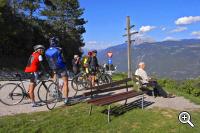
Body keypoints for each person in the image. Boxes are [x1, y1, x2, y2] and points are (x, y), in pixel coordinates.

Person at [45, 37, 69, 104]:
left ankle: (56, 96)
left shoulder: (47, 51)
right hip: (61, 67)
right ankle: (66, 99)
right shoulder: (59, 49)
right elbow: (63, 59)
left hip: (53, 68)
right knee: (65, 83)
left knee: (55, 83)